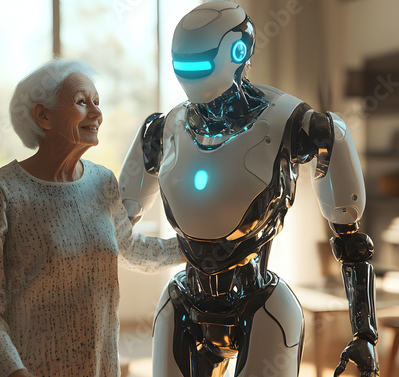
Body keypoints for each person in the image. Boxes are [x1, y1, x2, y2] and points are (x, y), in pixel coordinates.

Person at [119, 2, 378, 376]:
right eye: (185, 64)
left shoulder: (304, 127)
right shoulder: (160, 131)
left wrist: (364, 332)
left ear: (239, 51)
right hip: (183, 302)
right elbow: (114, 225)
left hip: (262, 303)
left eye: (201, 62)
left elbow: (350, 240)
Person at [0, 59, 184, 377]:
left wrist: (193, 249)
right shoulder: (3, 191)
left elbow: (130, 247)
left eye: (97, 103)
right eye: (82, 102)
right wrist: (15, 372)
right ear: (43, 115)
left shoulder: (103, 182)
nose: (97, 114)